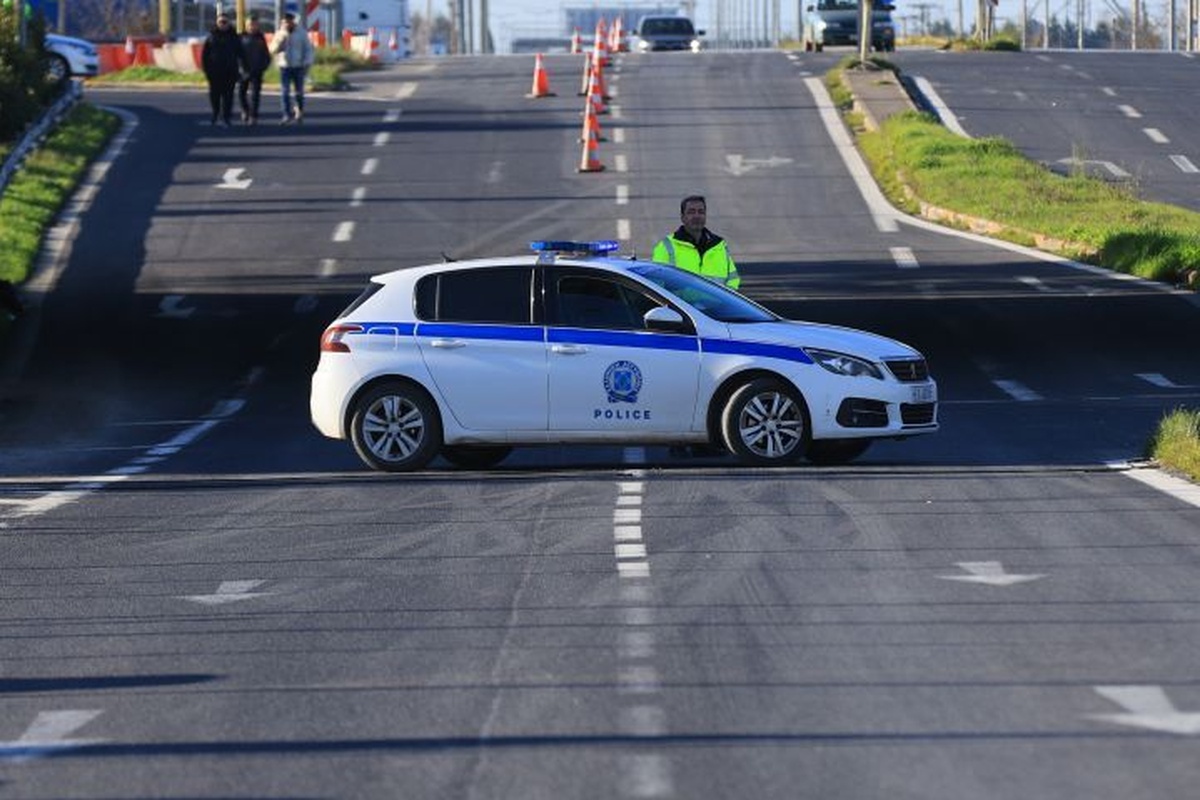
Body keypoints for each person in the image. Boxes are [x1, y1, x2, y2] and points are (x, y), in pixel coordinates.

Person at [651, 195, 740, 290]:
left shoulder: (719, 245)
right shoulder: (666, 246)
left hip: (716, 305)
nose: (697, 216)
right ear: (682, 217)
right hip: (681, 304)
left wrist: (723, 303)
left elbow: (733, 280)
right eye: (691, 212)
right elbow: (657, 283)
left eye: (701, 212)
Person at [201, 12, 244, 127]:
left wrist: (242, 70)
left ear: (229, 23)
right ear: (217, 23)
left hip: (230, 72)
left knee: (228, 96)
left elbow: (241, 54)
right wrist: (206, 70)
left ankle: (226, 117)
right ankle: (215, 114)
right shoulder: (211, 37)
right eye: (221, 22)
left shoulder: (234, 37)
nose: (223, 24)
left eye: (225, 22)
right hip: (214, 72)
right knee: (214, 95)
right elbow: (205, 55)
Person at [272, 12, 315, 124]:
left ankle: (299, 110)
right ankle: (286, 115)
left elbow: (308, 49)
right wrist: (280, 43)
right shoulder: (280, 34)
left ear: (293, 22)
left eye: (289, 22)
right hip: (284, 66)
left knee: (299, 91)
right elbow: (272, 49)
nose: (287, 24)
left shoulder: (301, 33)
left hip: (298, 66)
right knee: (285, 92)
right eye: (285, 22)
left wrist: (307, 62)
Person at [238, 16, 271, 125]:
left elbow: (266, 54)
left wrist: (264, 65)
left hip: (257, 70)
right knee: (241, 93)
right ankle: (245, 110)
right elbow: (237, 54)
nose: (252, 27)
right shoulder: (241, 37)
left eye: (254, 25)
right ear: (246, 25)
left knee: (255, 95)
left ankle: (253, 116)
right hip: (244, 70)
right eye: (250, 24)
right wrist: (240, 67)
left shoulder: (260, 37)